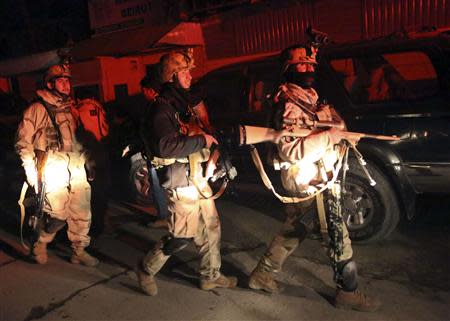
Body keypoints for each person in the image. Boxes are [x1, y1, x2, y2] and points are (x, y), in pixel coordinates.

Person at [247, 44, 381, 312]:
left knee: (294, 230)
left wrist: (339, 132)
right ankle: (348, 292)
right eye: (302, 64)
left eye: (311, 64)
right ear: (289, 69)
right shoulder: (289, 105)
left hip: (319, 178)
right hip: (308, 182)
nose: (309, 69)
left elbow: (334, 124)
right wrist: (329, 137)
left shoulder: (310, 98)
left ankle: (261, 275)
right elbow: (291, 151)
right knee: (338, 237)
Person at [136, 49, 237, 296]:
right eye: (185, 72)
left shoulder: (184, 106)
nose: (190, 77)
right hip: (181, 181)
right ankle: (146, 269)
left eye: (190, 72)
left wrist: (213, 151)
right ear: (172, 76)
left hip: (199, 178)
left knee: (211, 227)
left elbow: (202, 134)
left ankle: (210, 276)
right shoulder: (162, 108)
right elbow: (165, 146)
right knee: (182, 236)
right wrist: (202, 141)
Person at [15, 63, 99, 267]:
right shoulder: (37, 108)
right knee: (57, 214)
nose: (66, 84)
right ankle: (41, 242)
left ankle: (78, 251)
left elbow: (77, 139)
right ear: (50, 84)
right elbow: (22, 142)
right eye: (61, 81)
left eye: (67, 80)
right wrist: (31, 172)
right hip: (52, 166)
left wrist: (88, 161)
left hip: (76, 166)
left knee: (81, 211)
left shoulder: (71, 108)